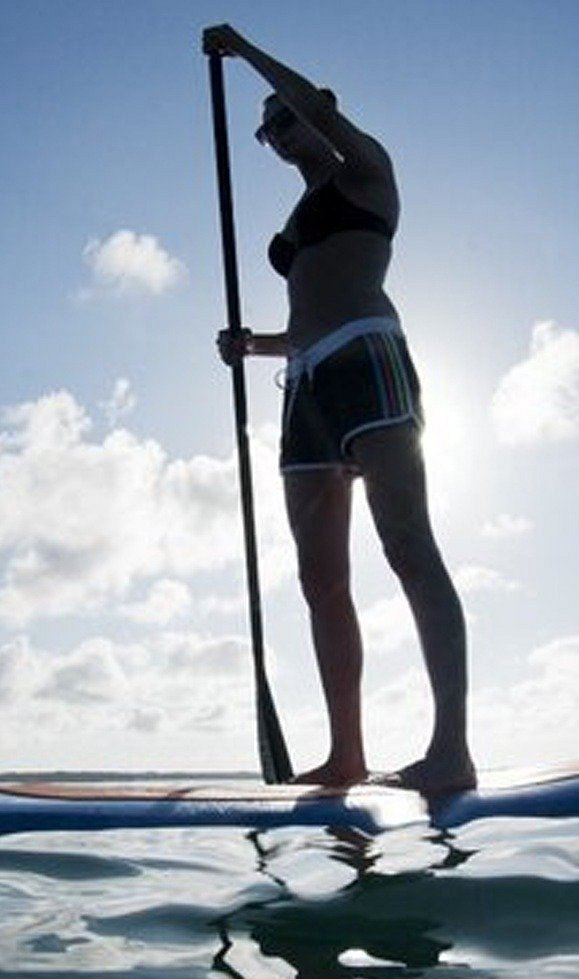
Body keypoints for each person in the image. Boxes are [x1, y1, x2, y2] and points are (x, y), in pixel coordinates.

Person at [204, 24, 474, 794]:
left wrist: (242, 49)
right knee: (321, 580)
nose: (276, 136)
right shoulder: (299, 213)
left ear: (315, 108)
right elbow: (302, 317)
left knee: (408, 548)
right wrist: (251, 344)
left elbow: (310, 108)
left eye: (284, 120)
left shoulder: (367, 172)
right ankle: (346, 755)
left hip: (369, 358)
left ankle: (450, 749)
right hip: (308, 386)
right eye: (265, 132)